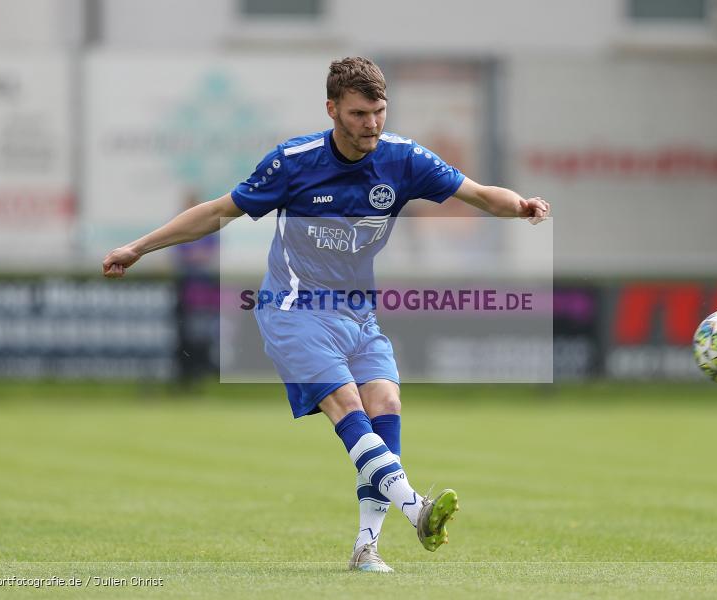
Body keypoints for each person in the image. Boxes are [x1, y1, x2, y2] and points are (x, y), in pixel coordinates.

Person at [102, 56, 550, 573]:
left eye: (379, 112)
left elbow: (478, 195)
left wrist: (519, 205)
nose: (372, 124)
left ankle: (366, 548)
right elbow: (218, 212)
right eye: (359, 114)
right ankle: (416, 509)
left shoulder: (403, 159)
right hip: (294, 310)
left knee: (385, 402)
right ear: (332, 109)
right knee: (346, 403)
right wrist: (138, 247)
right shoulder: (294, 162)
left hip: (358, 314)